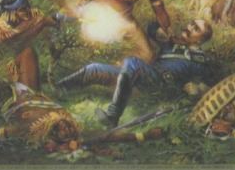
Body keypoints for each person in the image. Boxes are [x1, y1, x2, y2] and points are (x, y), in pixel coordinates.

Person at [56, 18, 219, 126]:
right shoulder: (171, 44)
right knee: (95, 69)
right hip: (143, 76)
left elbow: (212, 84)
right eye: (191, 24)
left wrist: (195, 90)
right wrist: (161, 31)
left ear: (200, 40)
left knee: (132, 63)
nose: (189, 27)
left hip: (160, 86)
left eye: (195, 28)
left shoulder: (199, 61)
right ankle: (59, 88)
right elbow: (151, 27)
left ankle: (112, 116)